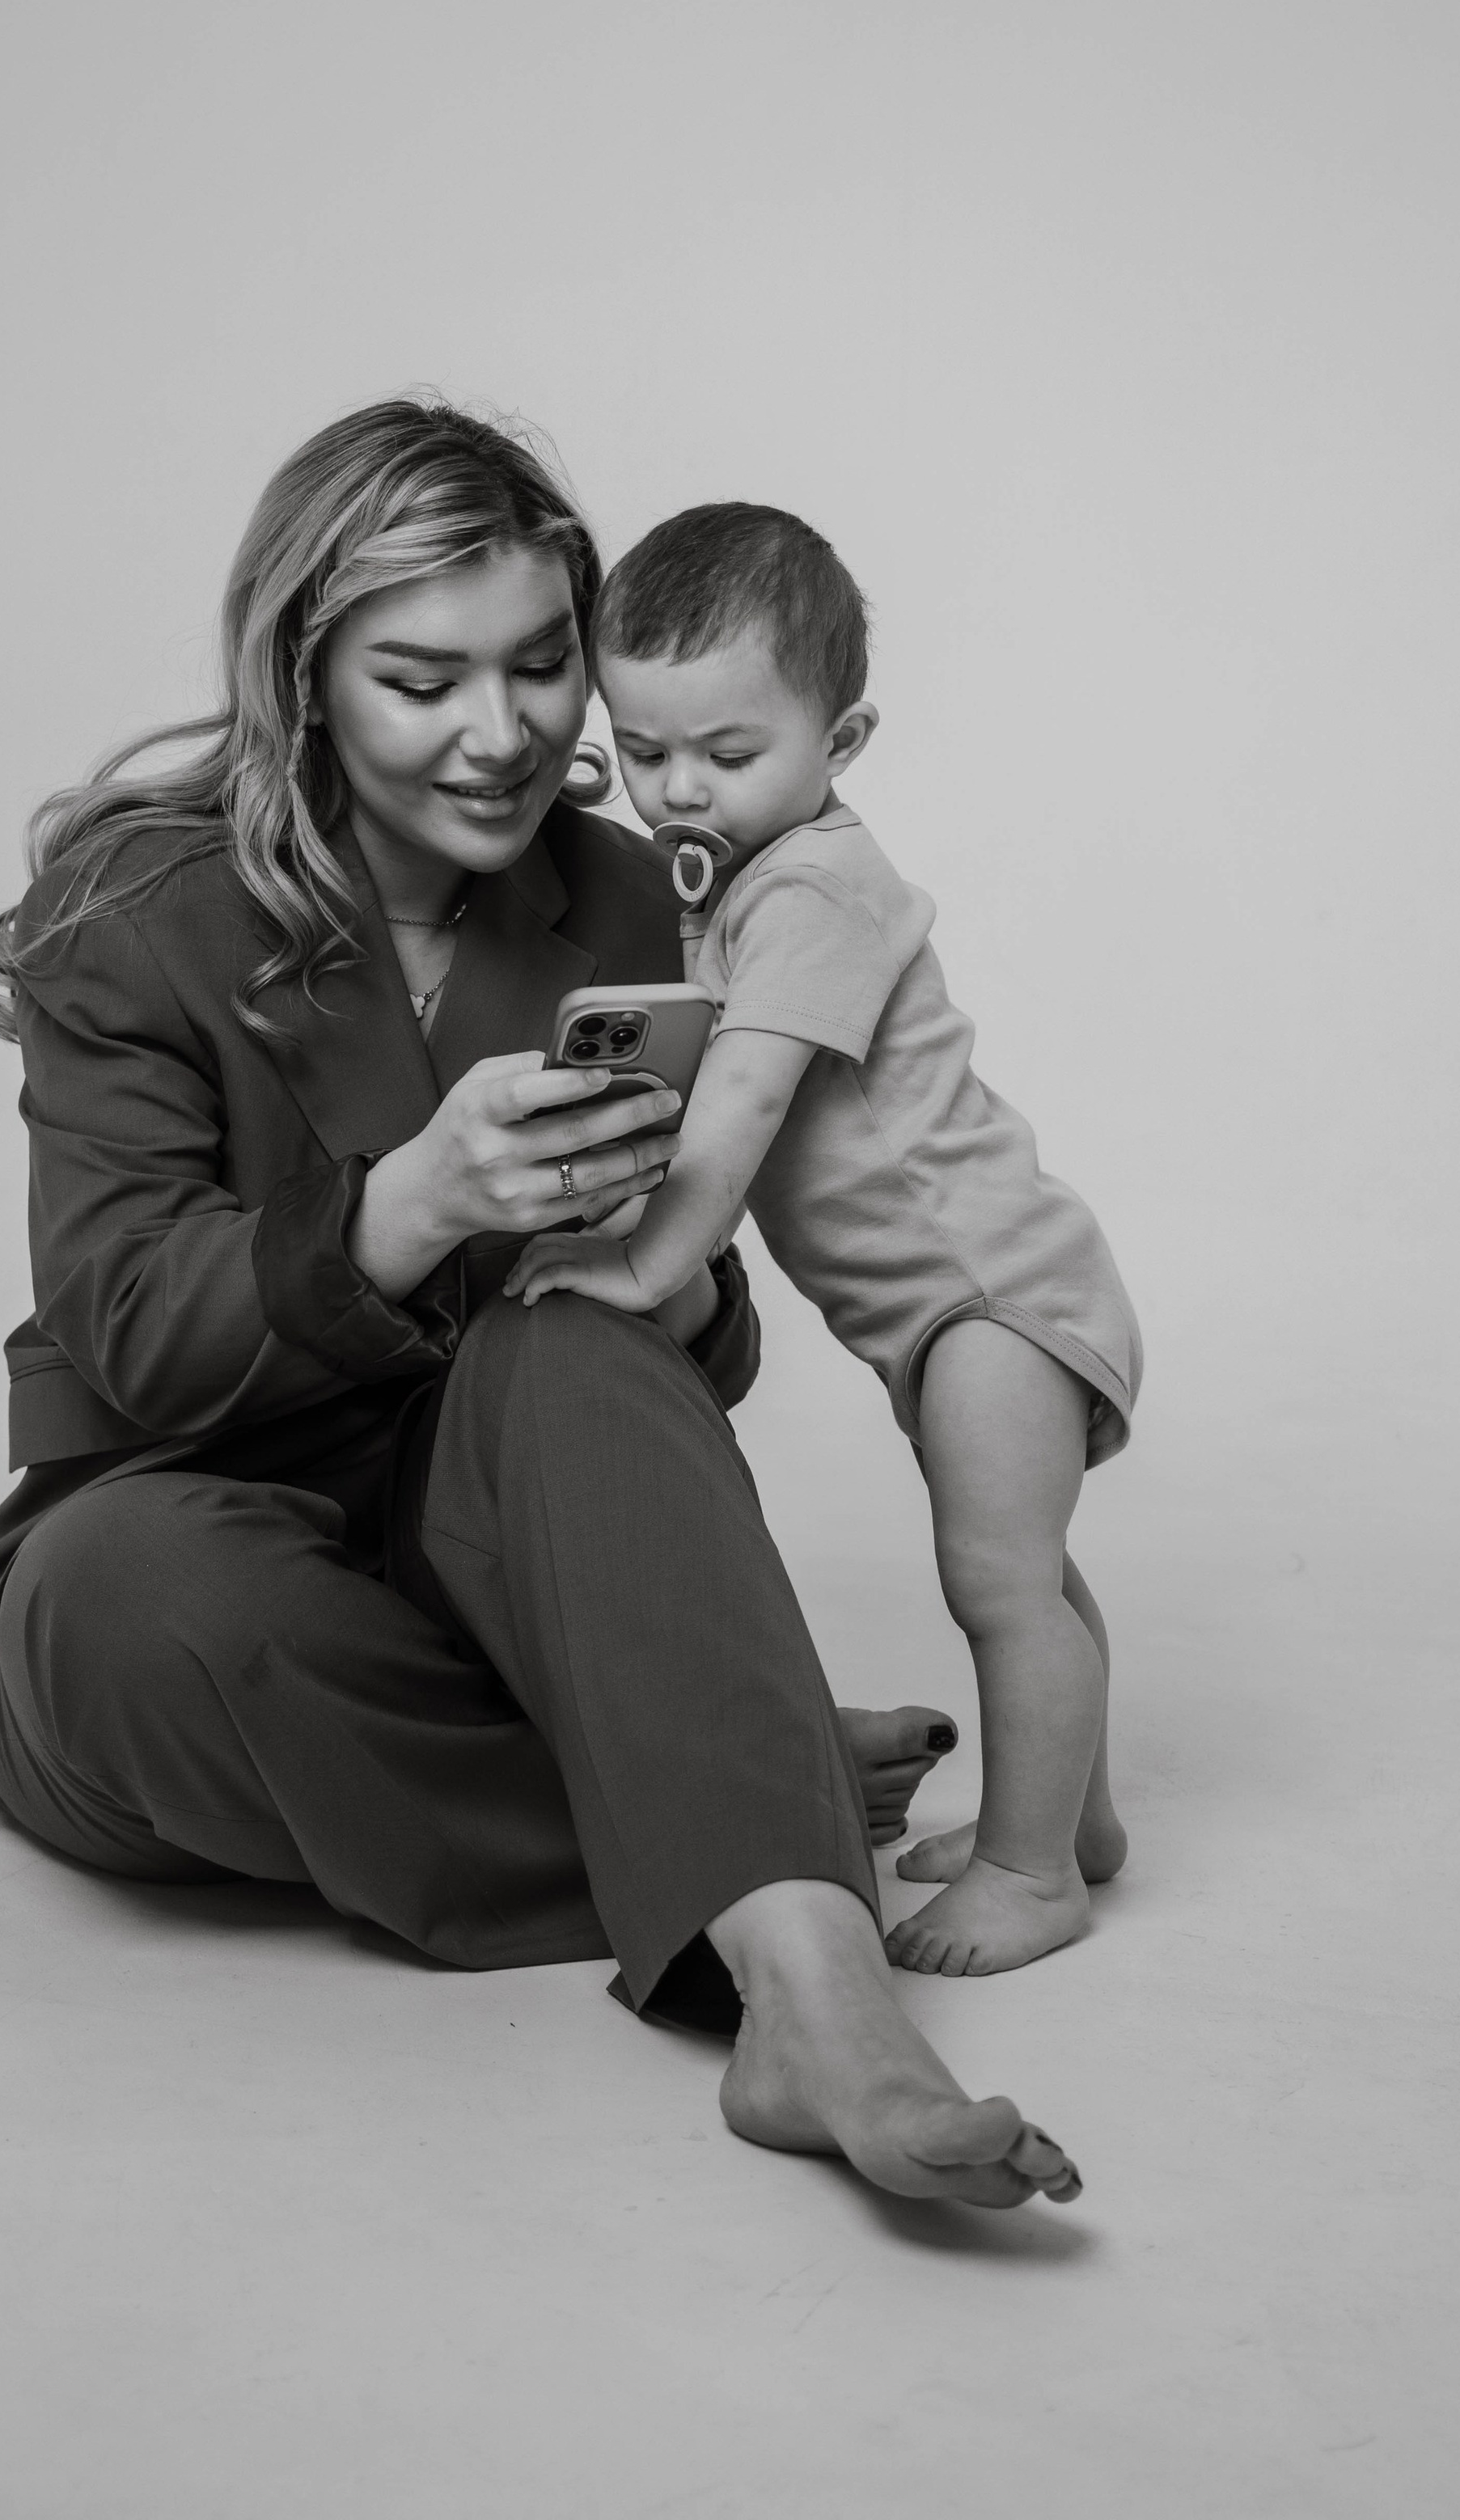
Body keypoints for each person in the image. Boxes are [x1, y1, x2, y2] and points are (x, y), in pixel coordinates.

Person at [0, 401, 1080, 2209]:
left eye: (543, 665)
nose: (504, 733)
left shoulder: (645, 891)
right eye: (423, 678)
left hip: (506, 1535)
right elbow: (128, 1327)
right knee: (140, 1600)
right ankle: (721, 1769)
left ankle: (811, 2003)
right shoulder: (132, 907)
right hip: (184, 1513)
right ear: (301, 673)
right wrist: (410, 1205)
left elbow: (688, 1371)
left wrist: (684, 1275)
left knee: (572, 1338)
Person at [509, 502, 1143, 1974]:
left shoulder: (810, 890)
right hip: (954, 1305)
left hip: (991, 1294)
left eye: (731, 758)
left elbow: (738, 1103)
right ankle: (1084, 1821)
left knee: (999, 1583)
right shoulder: (735, 875)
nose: (682, 792)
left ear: (841, 738)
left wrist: (645, 1265)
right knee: (1032, 1570)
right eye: (648, 751)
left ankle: (1034, 1871)